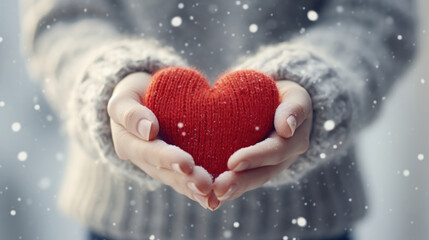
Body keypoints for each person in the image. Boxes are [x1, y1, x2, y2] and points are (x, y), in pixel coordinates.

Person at [20, 0, 417, 239]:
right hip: (121, 222)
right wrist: (112, 82)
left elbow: (378, 14)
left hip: (310, 225)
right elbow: (61, 16)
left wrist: (317, 84)